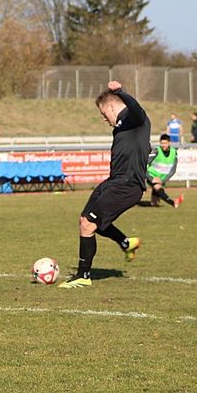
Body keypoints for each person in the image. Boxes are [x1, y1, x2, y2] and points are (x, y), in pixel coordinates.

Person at [59, 80, 150, 289]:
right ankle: (126, 243)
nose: (104, 118)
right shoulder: (120, 127)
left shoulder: (134, 118)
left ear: (111, 106)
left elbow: (137, 109)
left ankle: (83, 275)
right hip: (114, 181)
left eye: (103, 113)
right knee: (85, 219)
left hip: (127, 185)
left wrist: (120, 92)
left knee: (89, 224)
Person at [146, 134, 184, 208]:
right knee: (158, 187)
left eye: (165, 143)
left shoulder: (174, 152)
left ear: (169, 143)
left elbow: (173, 170)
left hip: (161, 178)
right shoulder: (156, 151)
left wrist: (163, 180)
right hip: (152, 176)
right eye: (162, 143)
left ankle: (151, 202)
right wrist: (151, 178)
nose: (163, 145)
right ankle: (173, 203)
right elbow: (145, 164)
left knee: (154, 203)